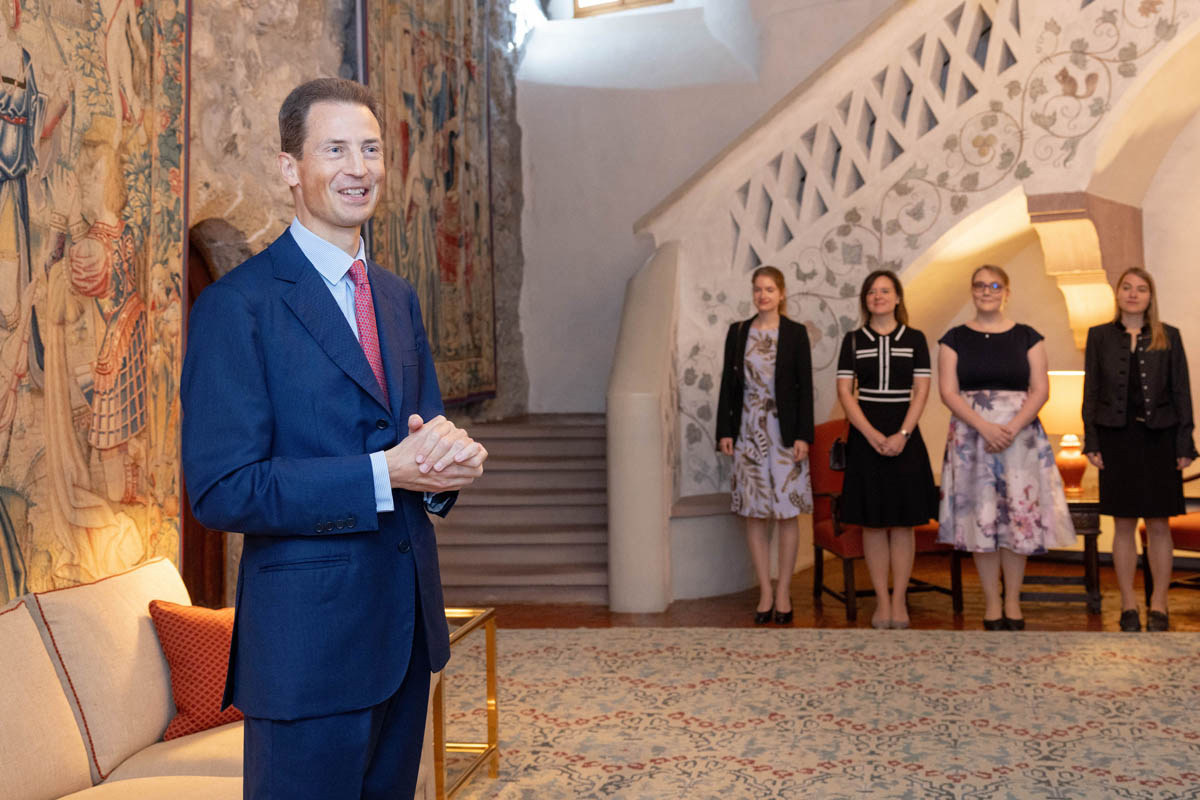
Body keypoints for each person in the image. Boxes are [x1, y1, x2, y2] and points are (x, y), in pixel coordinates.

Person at [181, 78, 487, 800]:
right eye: (336, 150)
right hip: (308, 653)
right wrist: (384, 474)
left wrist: (447, 468)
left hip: (405, 639)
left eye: (371, 150)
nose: (359, 168)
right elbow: (223, 489)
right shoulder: (238, 306)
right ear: (290, 167)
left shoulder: (396, 297)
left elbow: (418, 440)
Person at [937, 265, 1074, 630]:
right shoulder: (953, 339)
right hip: (972, 438)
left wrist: (1011, 429)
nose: (987, 291)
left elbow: (1040, 390)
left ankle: (1013, 600)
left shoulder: (1029, 337)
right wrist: (984, 427)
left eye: (995, 285)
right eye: (980, 285)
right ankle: (991, 603)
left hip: (1020, 439)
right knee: (981, 520)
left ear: (1007, 292)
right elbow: (948, 392)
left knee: (1018, 519)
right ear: (972, 291)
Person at [1082, 267, 1196, 632]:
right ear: (1117, 294)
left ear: (1150, 296)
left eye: (1141, 289)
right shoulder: (1099, 336)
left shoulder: (1169, 336)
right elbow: (1091, 392)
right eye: (1127, 287)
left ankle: (1159, 603)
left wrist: (1185, 442)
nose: (1133, 294)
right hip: (1117, 440)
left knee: (1159, 524)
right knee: (1123, 524)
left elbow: (1181, 392)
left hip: (1160, 439)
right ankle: (1129, 605)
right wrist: (1091, 440)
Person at [835, 270, 938, 629]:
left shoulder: (915, 338)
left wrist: (902, 434)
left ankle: (899, 601)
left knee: (903, 524)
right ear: (865, 300)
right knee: (873, 524)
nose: (877, 296)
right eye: (871, 292)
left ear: (897, 298)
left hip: (905, 435)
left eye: (885, 290)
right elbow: (845, 392)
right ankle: (881, 602)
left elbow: (921, 391)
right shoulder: (852, 340)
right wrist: (869, 434)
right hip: (865, 436)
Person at [716, 266, 813, 625]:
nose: (763, 295)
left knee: (787, 512)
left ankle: (784, 591)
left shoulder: (796, 333)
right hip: (747, 429)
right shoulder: (738, 332)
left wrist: (803, 436)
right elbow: (728, 385)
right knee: (754, 512)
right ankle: (765, 592)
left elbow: (805, 389)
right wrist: (725, 431)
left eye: (770, 289)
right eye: (758, 289)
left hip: (786, 434)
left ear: (782, 293)